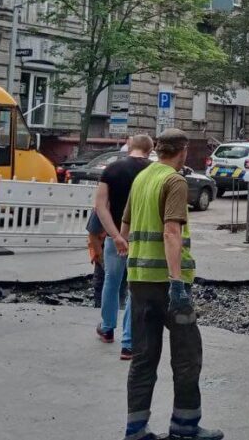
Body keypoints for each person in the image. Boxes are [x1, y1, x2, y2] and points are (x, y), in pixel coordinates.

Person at [121, 128, 223, 440]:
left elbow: (124, 231)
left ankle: (135, 430)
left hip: (139, 283)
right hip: (167, 285)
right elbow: (171, 232)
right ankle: (184, 427)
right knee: (187, 356)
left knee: (143, 358)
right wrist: (176, 283)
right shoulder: (173, 180)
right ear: (182, 150)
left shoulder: (142, 178)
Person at [95, 133, 153, 359]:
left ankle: (107, 328)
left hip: (114, 237)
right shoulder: (152, 172)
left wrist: (117, 236)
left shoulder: (111, 170)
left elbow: (100, 207)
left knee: (112, 281)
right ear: (151, 148)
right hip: (142, 238)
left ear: (129, 146)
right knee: (135, 287)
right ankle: (129, 343)